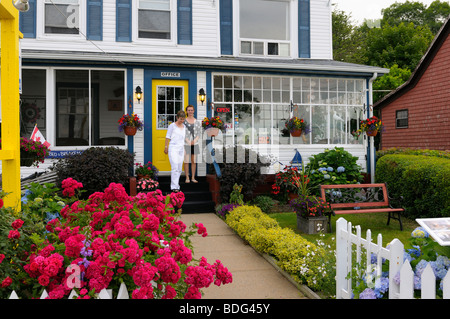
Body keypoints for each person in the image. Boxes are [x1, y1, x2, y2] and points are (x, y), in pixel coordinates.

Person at [164, 110, 186, 192]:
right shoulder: (172, 126)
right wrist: (166, 147)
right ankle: (174, 187)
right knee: (175, 167)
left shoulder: (184, 127)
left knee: (179, 168)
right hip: (173, 148)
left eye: (183, 119)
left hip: (181, 148)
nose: (182, 121)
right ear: (177, 117)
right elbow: (167, 137)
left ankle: (177, 185)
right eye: (180, 119)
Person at [183, 105, 201, 183]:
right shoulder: (184, 121)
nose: (190, 111)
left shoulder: (197, 122)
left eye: (191, 110)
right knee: (186, 161)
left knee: (193, 161)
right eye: (189, 110)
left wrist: (195, 140)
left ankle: (193, 177)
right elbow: (182, 133)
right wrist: (187, 141)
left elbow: (199, 133)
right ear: (186, 111)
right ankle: (187, 177)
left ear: (194, 111)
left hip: (195, 144)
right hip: (186, 144)